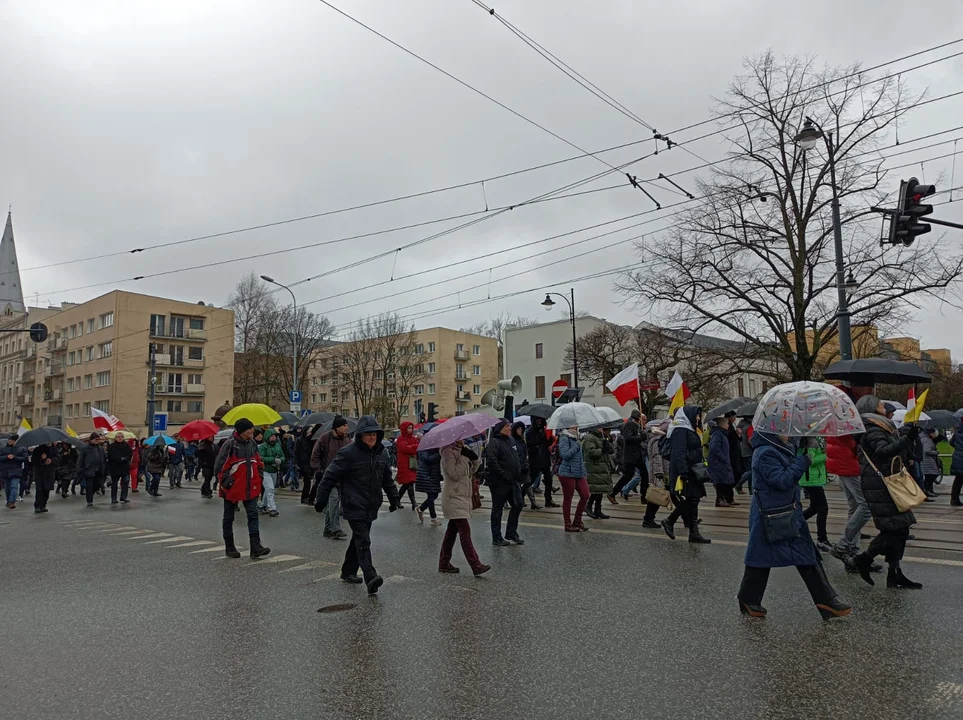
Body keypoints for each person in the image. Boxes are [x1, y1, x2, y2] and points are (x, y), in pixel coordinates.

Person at [737, 432, 851, 620]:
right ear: (772, 432)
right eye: (784, 430)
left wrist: (801, 450)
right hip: (772, 515)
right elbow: (782, 480)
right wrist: (802, 461)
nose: (788, 433)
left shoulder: (780, 448)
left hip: (786, 512)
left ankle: (826, 601)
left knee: (804, 555)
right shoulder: (765, 452)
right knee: (762, 559)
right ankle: (749, 599)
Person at [315, 415, 399, 594]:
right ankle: (371, 576)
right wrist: (320, 499)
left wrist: (394, 498)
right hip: (353, 503)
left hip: (371, 504)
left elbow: (386, 479)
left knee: (359, 539)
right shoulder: (348, 453)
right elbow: (330, 476)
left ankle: (348, 570)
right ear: (360, 435)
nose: (371, 437)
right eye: (367, 434)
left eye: (374, 434)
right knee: (363, 540)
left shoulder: (381, 453)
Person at [849, 395, 922, 589]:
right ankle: (862, 559)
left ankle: (894, 573)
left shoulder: (882, 426)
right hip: (880, 484)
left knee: (901, 528)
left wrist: (907, 439)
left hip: (887, 482)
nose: (883, 405)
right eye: (880, 404)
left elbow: (895, 451)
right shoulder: (872, 429)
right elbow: (883, 451)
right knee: (894, 530)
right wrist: (908, 438)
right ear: (872, 408)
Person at [828, 385, 876, 567]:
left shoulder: (835, 411)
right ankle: (843, 545)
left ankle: (852, 551)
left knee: (855, 506)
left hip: (843, 462)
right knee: (865, 505)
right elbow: (852, 437)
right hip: (849, 463)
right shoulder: (845, 413)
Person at [214, 418, 271, 559]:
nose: (252, 431)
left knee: (253, 515)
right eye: (249, 429)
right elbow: (219, 467)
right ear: (241, 431)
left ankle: (255, 547)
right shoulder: (230, 445)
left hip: (250, 486)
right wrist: (227, 483)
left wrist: (259, 477)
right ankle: (230, 546)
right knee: (229, 517)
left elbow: (258, 462)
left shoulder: (251, 443)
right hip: (232, 488)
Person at [439, 439, 490, 575]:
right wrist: (463, 455)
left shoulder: (464, 448)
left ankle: (444, 563)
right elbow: (455, 474)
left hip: (462, 496)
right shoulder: (447, 452)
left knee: (451, 532)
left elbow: (473, 469)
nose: (461, 438)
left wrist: (473, 457)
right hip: (453, 496)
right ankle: (475, 565)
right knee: (465, 531)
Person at [661, 406, 711, 544]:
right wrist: (683, 472)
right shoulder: (680, 429)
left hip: (693, 469)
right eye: (697, 415)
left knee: (694, 500)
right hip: (687, 470)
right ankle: (669, 520)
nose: (698, 418)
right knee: (692, 499)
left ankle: (694, 533)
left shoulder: (688, 428)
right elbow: (679, 452)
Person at [484, 420, 525, 545]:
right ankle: (496, 537)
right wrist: (503, 474)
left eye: (509, 426)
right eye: (507, 426)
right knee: (498, 509)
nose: (509, 428)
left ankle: (511, 532)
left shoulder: (511, 440)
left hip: (513, 480)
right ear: (500, 428)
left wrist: (520, 469)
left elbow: (515, 456)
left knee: (518, 504)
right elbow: (492, 461)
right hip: (499, 482)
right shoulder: (494, 442)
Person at [311, 416, 352, 538]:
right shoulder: (325, 438)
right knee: (334, 501)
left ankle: (328, 528)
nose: (346, 428)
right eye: (344, 425)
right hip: (328, 475)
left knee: (333, 502)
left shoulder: (347, 439)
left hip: (342, 476)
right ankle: (336, 529)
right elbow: (315, 455)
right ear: (337, 427)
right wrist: (317, 470)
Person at [799, 437, 831, 550]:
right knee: (823, 508)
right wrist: (826, 455)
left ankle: (795, 524)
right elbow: (810, 460)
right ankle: (822, 539)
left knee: (815, 508)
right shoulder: (810, 440)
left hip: (813, 479)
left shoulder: (815, 439)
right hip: (811, 480)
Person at [610, 410, 646, 504]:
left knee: (642, 475)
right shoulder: (630, 425)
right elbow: (628, 438)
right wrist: (641, 437)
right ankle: (612, 493)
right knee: (629, 476)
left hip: (636, 456)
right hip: (631, 456)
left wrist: (642, 434)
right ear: (638, 418)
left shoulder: (635, 425)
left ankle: (644, 496)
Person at [558, 424, 589, 532]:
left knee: (585, 495)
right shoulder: (564, 438)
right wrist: (577, 445)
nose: (575, 427)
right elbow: (565, 455)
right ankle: (568, 524)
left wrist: (583, 471)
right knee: (568, 498)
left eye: (576, 425)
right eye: (573, 425)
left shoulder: (578, 437)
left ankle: (577, 521)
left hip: (579, 472)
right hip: (567, 472)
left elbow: (580, 458)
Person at [582, 426, 613, 520]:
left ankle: (597, 510)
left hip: (602, 466)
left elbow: (610, 451)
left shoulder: (601, 437)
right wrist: (602, 450)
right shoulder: (590, 438)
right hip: (594, 467)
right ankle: (588, 506)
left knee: (601, 489)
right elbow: (591, 452)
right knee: (596, 489)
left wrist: (608, 445)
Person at [526, 417, 557, 508]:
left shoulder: (542, 430)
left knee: (549, 481)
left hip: (544, 459)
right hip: (535, 460)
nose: (539, 421)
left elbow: (545, 444)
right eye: (537, 419)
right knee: (530, 480)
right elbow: (530, 445)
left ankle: (548, 500)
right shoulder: (530, 432)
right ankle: (520, 496)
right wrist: (539, 438)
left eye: (541, 419)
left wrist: (550, 440)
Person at [707, 413, 735, 508]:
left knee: (724, 481)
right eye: (727, 423)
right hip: (718, 462)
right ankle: (719, 499)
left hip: (721, 461)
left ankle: (722, 498)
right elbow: (715, 448)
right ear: (722, 424)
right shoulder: (718, 434)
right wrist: (724, 458)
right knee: (720, 481)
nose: (728, 425)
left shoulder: (721, 434)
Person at [258, 428, 284, 517]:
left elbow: (282, 455)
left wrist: (281, 460)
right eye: (272, 436)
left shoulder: (277, 445)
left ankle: (262, 506)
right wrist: (273, 460)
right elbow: (261, 458)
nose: (273, 438)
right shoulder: (263, 446)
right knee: (270, 489)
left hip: (274, 470)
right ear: (267, 437)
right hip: (265, 470)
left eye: (274, 436)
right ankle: (272, 508)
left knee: (268, 489)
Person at [395, 421, 419, 511]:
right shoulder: (401, 439)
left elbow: (416, 447)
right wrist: (411, 448)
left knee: (407, 483)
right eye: (408, 428)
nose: (410, 430)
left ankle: (397, 500)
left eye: (411, 428)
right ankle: (414, 503)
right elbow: (405, 448)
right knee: (409, 483)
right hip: (404, 464)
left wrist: (411, 447)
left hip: (411, 464)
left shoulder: (413, 438)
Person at [415, 446, 443, 525]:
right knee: (431, 496)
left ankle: (421, 509)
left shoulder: (435, 449)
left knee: (435, 495)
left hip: (433, 475)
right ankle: (433, 518)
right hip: (426, 475)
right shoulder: (423, 448)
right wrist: (438, 454)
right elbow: (427, 459)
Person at [78, 433, 107, 507]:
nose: (97, 441)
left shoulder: (100, 448)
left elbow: (103, 458)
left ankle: (91, 494)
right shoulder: (85, 448)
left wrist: (104, 467)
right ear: (91, 439)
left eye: (98, 439)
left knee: (97, 485)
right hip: (89, 470)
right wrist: (79, 469)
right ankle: (89, 500)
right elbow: (80, 460)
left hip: (99, 470)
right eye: (96, 439)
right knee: (89, 486)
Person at [106, 432, 133, 504]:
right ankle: (113, 498)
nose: (120, 438)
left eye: (121, 436)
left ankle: (123, 497)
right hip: (115, 467)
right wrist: (119, 458)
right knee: (114, 484)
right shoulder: (112, 446)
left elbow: (130, 454)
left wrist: (126, 458)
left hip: (125, 467)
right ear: (115, 438)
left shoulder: (127, 445)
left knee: (125, 482)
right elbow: (110, 456)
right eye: (118, 436)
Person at [1, 436, 28, 509]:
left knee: (14, 486)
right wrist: (7, 457)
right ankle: (8, 500)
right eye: (9, 439)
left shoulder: (22, 448)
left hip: (16, 470)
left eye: (12, 440)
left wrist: (14, 457)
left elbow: (25, 458)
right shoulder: (3, 448)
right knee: (7, 488)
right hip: (5, 470)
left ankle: (12, 501)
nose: (10, 441)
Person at [31, 444, 59, 513]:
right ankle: (37, 506)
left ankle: (43, 505)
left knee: (47, 489)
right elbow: (33, 461)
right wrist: (41, 459)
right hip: (40, 473)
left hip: (49, 472)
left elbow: (58, 459)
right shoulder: (37, 449)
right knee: (39, 490)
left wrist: (51, 460)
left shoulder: (54, 449)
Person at [920, 427, 941, 500]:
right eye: (934, 433)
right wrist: (936, 452)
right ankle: (927, 490)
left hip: (925, 460)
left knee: (929, 476)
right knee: (932, 475)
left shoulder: (923, 438)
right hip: (928, 461)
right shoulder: (927, 440)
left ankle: (928, 490)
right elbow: (927, 450)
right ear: (931, 433)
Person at [735, 417, 754, 494]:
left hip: (742, 451)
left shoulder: (740, 425)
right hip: (749, 451)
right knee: (751, 471)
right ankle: (739, 483)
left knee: (747, 470)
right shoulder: (749, 426)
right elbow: (750, 440)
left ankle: (750, 489)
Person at [297, 427, 316, 504]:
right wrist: (297, 463)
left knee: (309, 481)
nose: (310, 433)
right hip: (304, 463)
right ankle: (305, 497)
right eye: (309, 432)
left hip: (310, 462)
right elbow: (297, 452)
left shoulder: (312, 440)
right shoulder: (300, 440)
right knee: (307, 481)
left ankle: (307, 496)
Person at [951, 418, 963, 506]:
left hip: (958, 456)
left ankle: (954, 499)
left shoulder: (958, 431)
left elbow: (951, 442)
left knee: (958, 480)